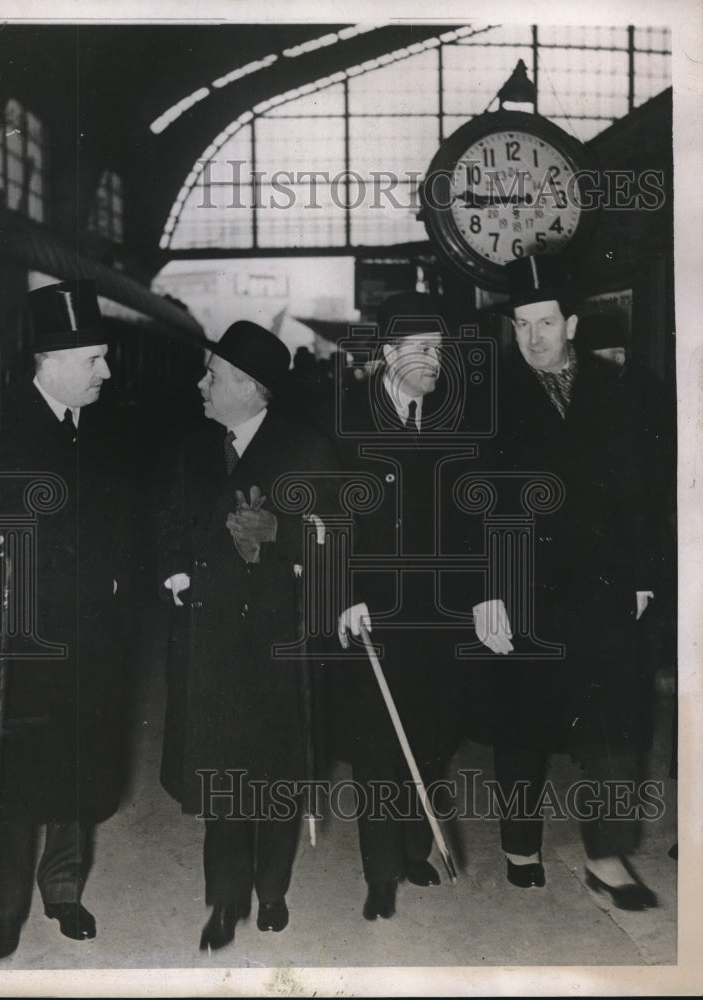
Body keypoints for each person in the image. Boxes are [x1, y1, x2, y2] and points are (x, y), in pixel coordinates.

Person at [471, 255, 660, 908]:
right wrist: (486, 592)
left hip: (603, 585)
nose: (533, 336)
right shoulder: (487, 395)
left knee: (611, 726)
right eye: (521, 324)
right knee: (522, 724)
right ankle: (520, 844)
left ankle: (606, 858)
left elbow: (642, 491)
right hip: (520, 584)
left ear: (570, 323)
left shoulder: (621, 389)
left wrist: (640, 577)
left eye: (545, 321)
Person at [0, 279, 129, 958]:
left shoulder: (105, 422)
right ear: (49, 363)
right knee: (21, 771)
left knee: (77, 764)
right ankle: (8, 909)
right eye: (94, 360)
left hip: (88, 628)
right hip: (19, 627)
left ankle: (64, 891)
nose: (106, 373)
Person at [158, 320, 339, 952]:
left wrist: (279, 536)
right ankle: (224, 901)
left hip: (274, 637)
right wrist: (176, 570)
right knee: (221, 774)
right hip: (210, 635)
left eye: (214, 375)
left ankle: (273, 892)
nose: (201, 383)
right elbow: (173, 524)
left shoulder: (306, 450)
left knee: (274, 772)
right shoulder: (193, 448)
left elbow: (336, 545)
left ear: (252, 388)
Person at [336, 292, 473, 921]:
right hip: (373, 610)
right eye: (419, 350)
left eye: (438, 351)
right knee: (376, 743)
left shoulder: (451, 420)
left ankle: (416, 849)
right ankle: (379, 872)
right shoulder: (347, 421)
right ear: (388, 354)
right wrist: (344, 593)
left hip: (437, 613)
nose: (432, 362)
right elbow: (329, 520)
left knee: (430, 735)